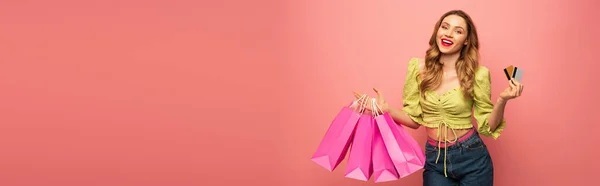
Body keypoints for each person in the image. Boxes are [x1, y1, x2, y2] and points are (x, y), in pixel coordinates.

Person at [353, 10, 524, 186]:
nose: (449, 33)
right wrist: (386, 109)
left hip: (473, 157)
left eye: (458, 31)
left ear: (466, 41)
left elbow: (488, 127)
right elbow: (414, 119)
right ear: (438, 31)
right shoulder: (417, 68)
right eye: (445, 27)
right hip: (435, 158)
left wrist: (503, 99)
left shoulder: (478, 74)